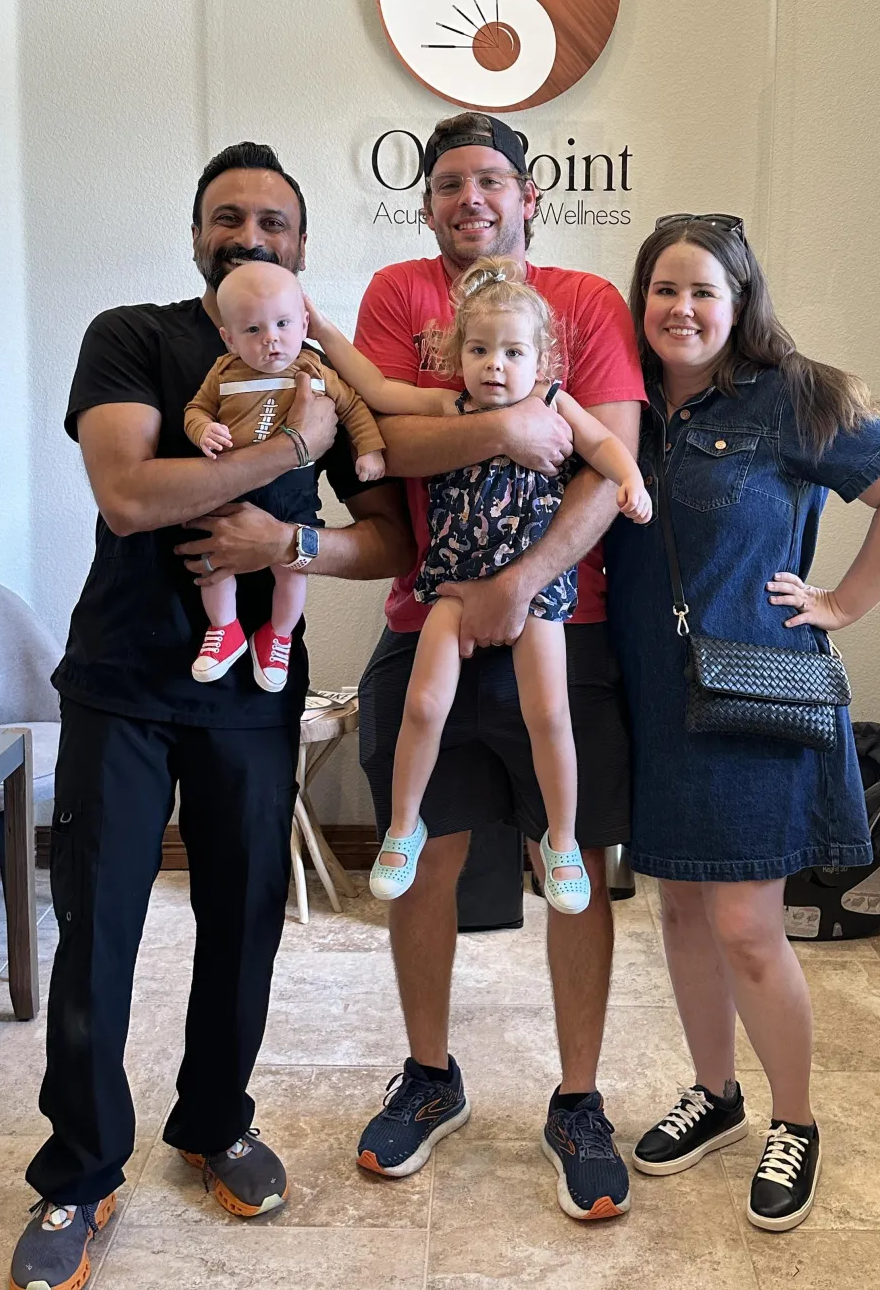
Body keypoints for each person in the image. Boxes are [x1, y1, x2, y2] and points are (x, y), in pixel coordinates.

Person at [9, 143, 415, 1290]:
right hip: (123, 682)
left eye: (273, 220)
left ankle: (214, 1121)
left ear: (302, 244)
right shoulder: (133, 337)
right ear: (196, 235)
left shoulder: (322, 358)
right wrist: (291, 453)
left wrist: (288, 540)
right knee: (99, 928)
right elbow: (129, 496)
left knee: (243, 920)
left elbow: (389, 537)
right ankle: (80, 1171)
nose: (249, 233)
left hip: (251, 693)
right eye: (227, 216)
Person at [606, 213, 880, 1232]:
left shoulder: (792, 397)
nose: (682, 309)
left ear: (741, 302)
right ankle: (715, 1095)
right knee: (678, 911)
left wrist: (841, 602)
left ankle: (794, 1120)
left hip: (754, 694)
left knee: (748, 927)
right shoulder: (618, 400)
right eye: (665, 289)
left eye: (704, 291)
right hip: (650, 697)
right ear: (641, 298)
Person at [348, 111, 647, 1223]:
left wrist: (521, 585)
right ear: (426, 203)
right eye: (447, 183)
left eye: (490, 180)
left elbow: (608, 463)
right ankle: (430, 1077)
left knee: (572, 858)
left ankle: (578, 1100)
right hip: (427, 612)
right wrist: (510, 428)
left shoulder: (587, 303)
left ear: (531, 197)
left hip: (564, 622)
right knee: (426, 851)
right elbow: (385, 440)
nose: (469, 198)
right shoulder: (397, 297)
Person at [308, 258, 651, 914]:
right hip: (454, 582)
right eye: (479, 350)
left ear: (542, 358)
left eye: (513, 352)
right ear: (457, 355)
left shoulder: (553, 401)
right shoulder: (448, 406)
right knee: (422, 705)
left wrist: (631, 481)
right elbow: (376, 388)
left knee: (549, 714)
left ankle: (561, 840)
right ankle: (404, 828)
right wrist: (321, 327)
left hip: (537, 593)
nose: (495, 365)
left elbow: (607, 445)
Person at [184, 259, 385, 691]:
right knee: (213, 563)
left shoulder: (315, 370)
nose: (271, 339)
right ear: (229, 338)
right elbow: (196, 409)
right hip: (231, 489)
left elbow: (354, 407)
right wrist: (202, 429)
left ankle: (278, 635)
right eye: (253, 330)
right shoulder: (223, 372)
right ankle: (224, 629)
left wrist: (370, 449)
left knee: (293, 568)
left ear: (304, 324)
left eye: (283, 324)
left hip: (293, 493)